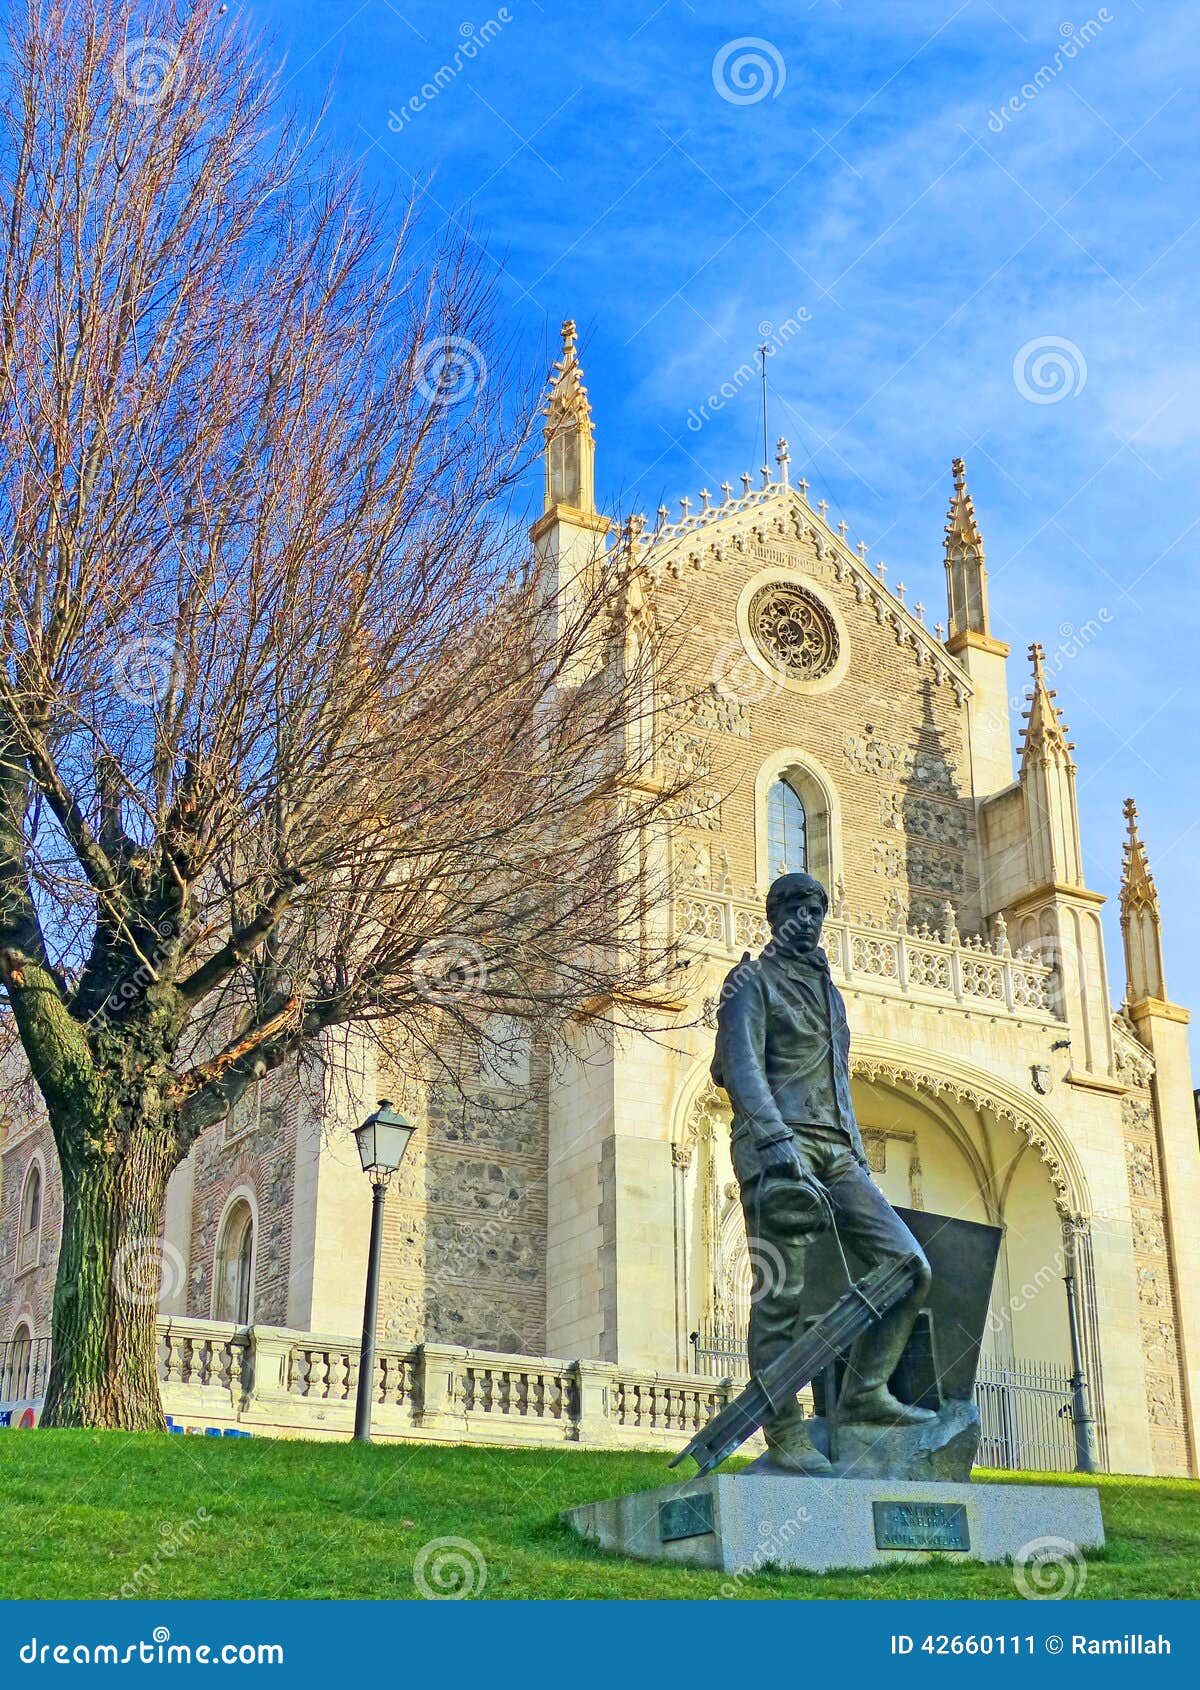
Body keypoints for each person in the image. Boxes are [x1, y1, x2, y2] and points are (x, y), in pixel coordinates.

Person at [712, 870, 933, 1475]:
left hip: (839, 1153)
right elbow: (738, 1067)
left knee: (909, 1265)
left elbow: (838, 1081)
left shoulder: (830, 992)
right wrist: (775, 1139)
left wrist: (858, 1154)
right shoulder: (750, 980)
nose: (808, 917)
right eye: (795, 907)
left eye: (817, 907)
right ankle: (785, 1431)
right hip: (780, 1148)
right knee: (782, 1296)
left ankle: (865, 1392)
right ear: (774, 915)